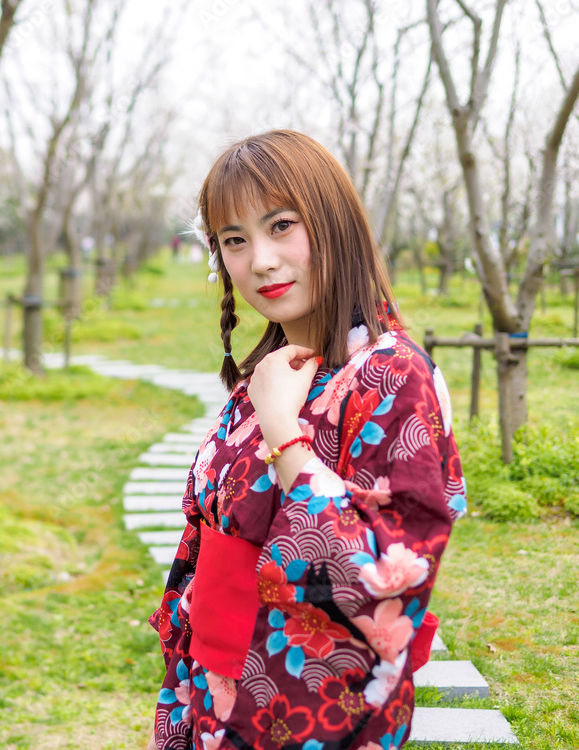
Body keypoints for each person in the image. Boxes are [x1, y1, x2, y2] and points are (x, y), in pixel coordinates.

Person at [147, 130, 466, 750]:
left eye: (281, 226)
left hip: (305, 696)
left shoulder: (394, 374)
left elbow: (388, 573)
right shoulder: (279, 366)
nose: (259, 260)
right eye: (234, 240)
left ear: (335, 223)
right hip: (212, 683)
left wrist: (286, 439)